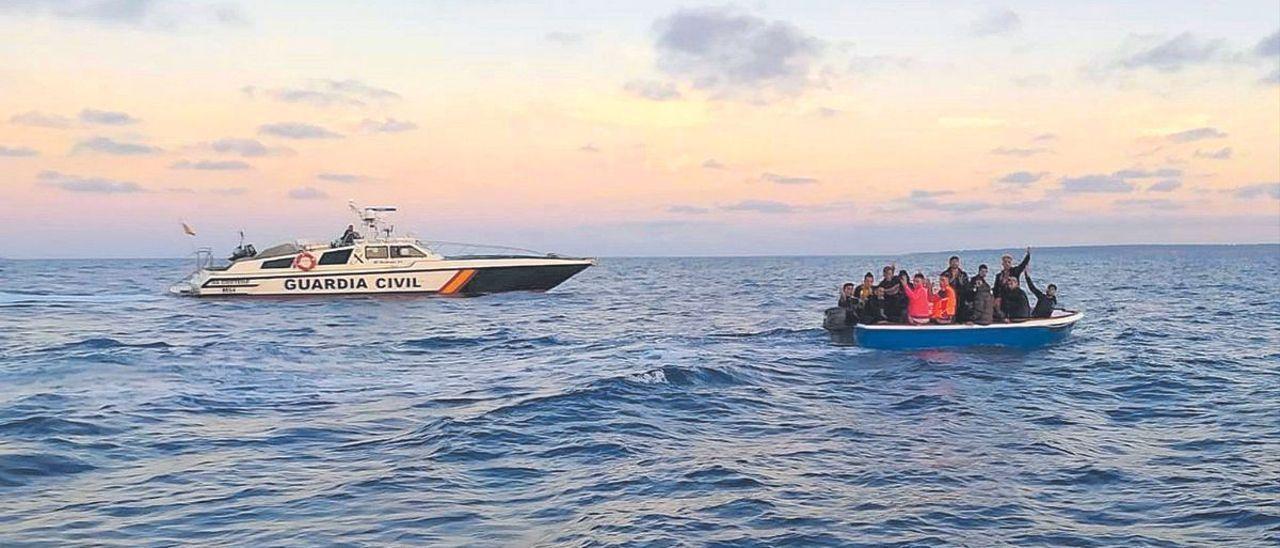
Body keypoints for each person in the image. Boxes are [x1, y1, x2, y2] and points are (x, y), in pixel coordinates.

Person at [940, 255, 971, 321]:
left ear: (958, 263)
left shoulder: (963, 274)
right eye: (952, 262)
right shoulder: (945, 273)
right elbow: (942, 285)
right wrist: (952, 279)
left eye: (956, 262)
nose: (954, 263)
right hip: (949, 296)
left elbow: (967, 285)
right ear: (950, 263)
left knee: (961, 311)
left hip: (961, 296)